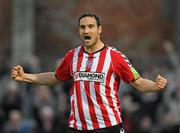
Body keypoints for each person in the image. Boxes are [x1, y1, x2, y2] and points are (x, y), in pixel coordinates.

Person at [11, 12, 167, 133]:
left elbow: (138, 82)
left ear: (99, 29)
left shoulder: (114, 57)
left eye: (91, 26)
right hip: (78, 127)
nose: (86, 30)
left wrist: (155, 86)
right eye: (82, 27)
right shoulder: (72, 56)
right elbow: (55, 77)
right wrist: (25, 77)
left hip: (108, 126)